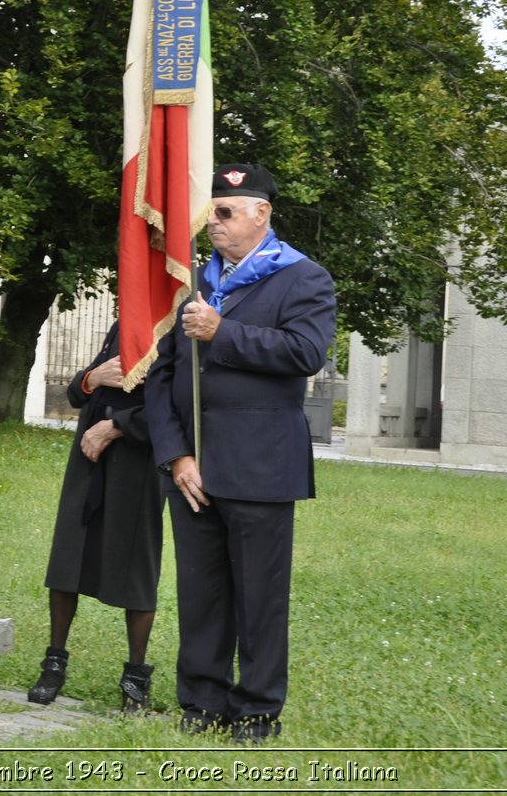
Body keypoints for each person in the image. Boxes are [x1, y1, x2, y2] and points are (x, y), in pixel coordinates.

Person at [145, 163, 336, 745]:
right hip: (193, 467)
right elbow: (161, 378)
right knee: (201, 594)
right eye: (210, 213)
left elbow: (305, 352)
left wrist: (221, 331)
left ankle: (256, 710)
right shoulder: (192, 281)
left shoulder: (302, 278)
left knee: (258, 597)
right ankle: (202, 701)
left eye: (227, 212)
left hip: (259, 467)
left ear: (262, 214)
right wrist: (177, 455)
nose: (215, 224)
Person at [28, 320, 165, 712]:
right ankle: (54, 663)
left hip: (139, 458)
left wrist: (119, 426)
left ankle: (135, 677)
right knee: (70, 554)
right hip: (89, 456)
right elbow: (76, 393)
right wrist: (92, 378)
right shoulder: (125, 323)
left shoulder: (177, 331)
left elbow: (178, 405)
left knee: (137, 563)